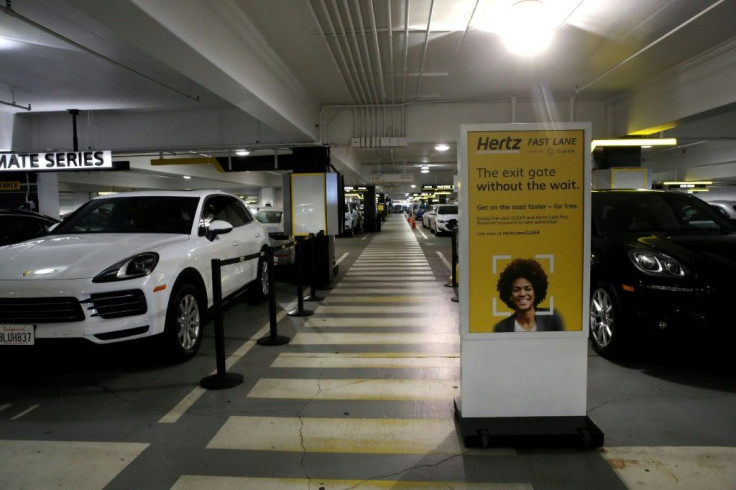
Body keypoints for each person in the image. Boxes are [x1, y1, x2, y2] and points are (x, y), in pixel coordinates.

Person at [493, 258, 564, 332]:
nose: (522, 294)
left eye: (528, 289)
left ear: (536, 292)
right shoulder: (501, 328)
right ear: (510, 295)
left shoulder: (552, 319)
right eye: (516, 290)